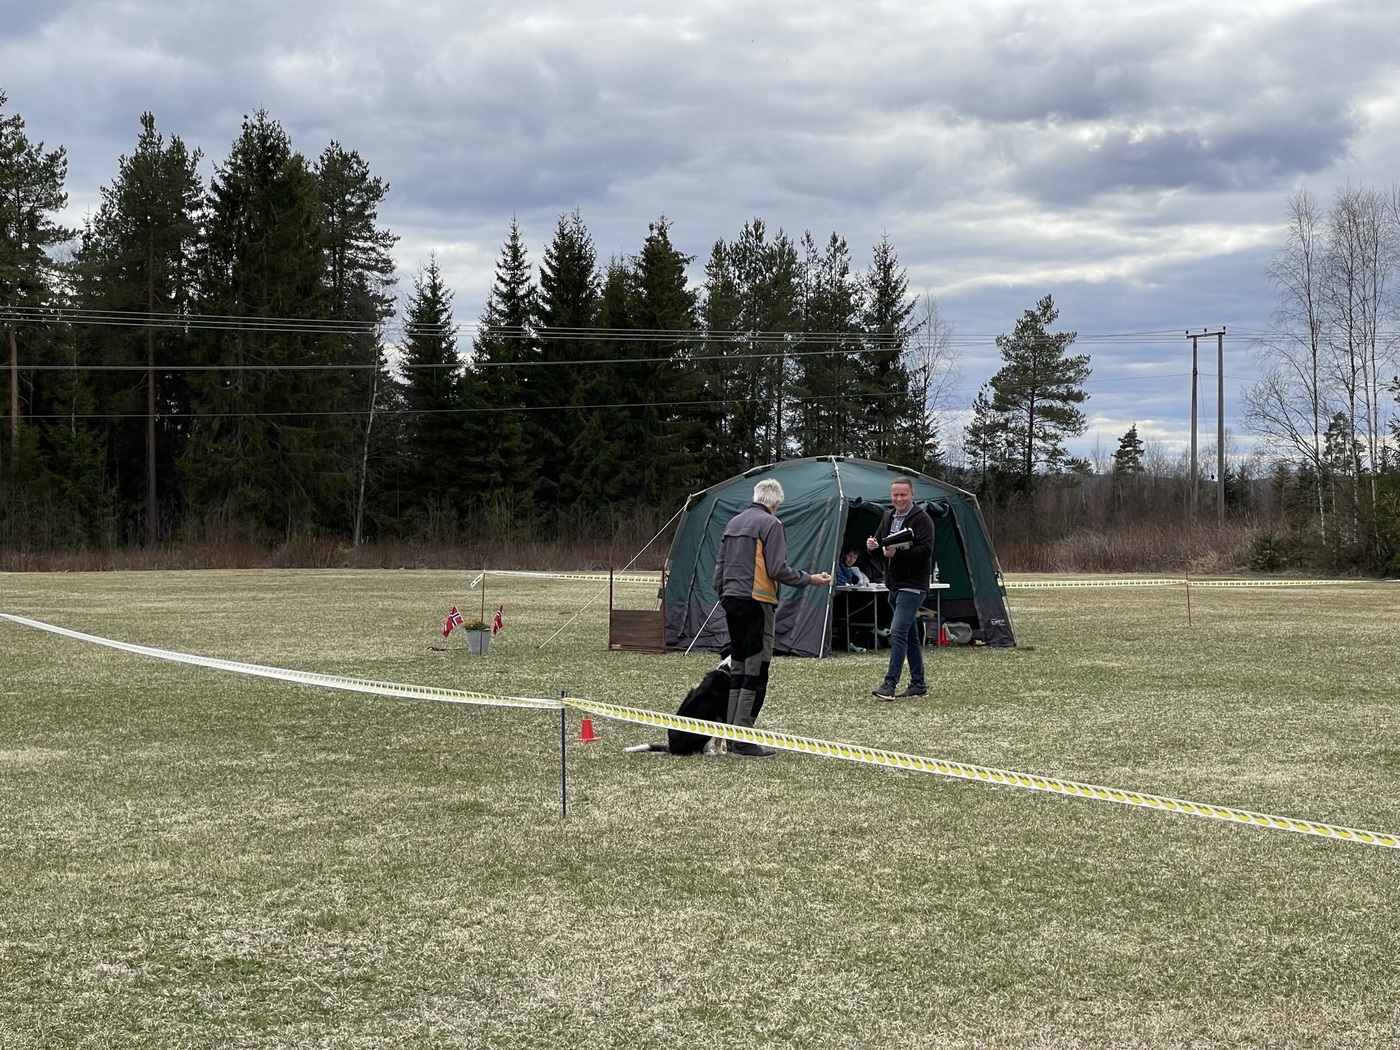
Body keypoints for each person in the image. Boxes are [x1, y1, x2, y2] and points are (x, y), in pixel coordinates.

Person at [713, 477, 833, 756]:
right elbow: (777, 569)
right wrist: (810, 579)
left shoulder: (733, 524)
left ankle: (731, 736)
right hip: (758, 603)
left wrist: (724, 596)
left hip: (731, 601)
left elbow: (719, 569)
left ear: (755, 496)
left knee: (738, 668)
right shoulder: (771, 524)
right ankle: (742, 739)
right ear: (776, 503)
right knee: (756, 670)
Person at [866, 477, 934, 701]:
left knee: (898, 632)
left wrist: (897, 554)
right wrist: (872, 547)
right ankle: (918, 684)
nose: (899, 498)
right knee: (910, 636)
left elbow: (925, 551)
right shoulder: (888, 516)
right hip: (893, 585)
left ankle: (890, 684)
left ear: (912, 494)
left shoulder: (922, 519)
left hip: (913, 586)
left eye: (903, 494)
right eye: (895, 494)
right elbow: (879, 549)